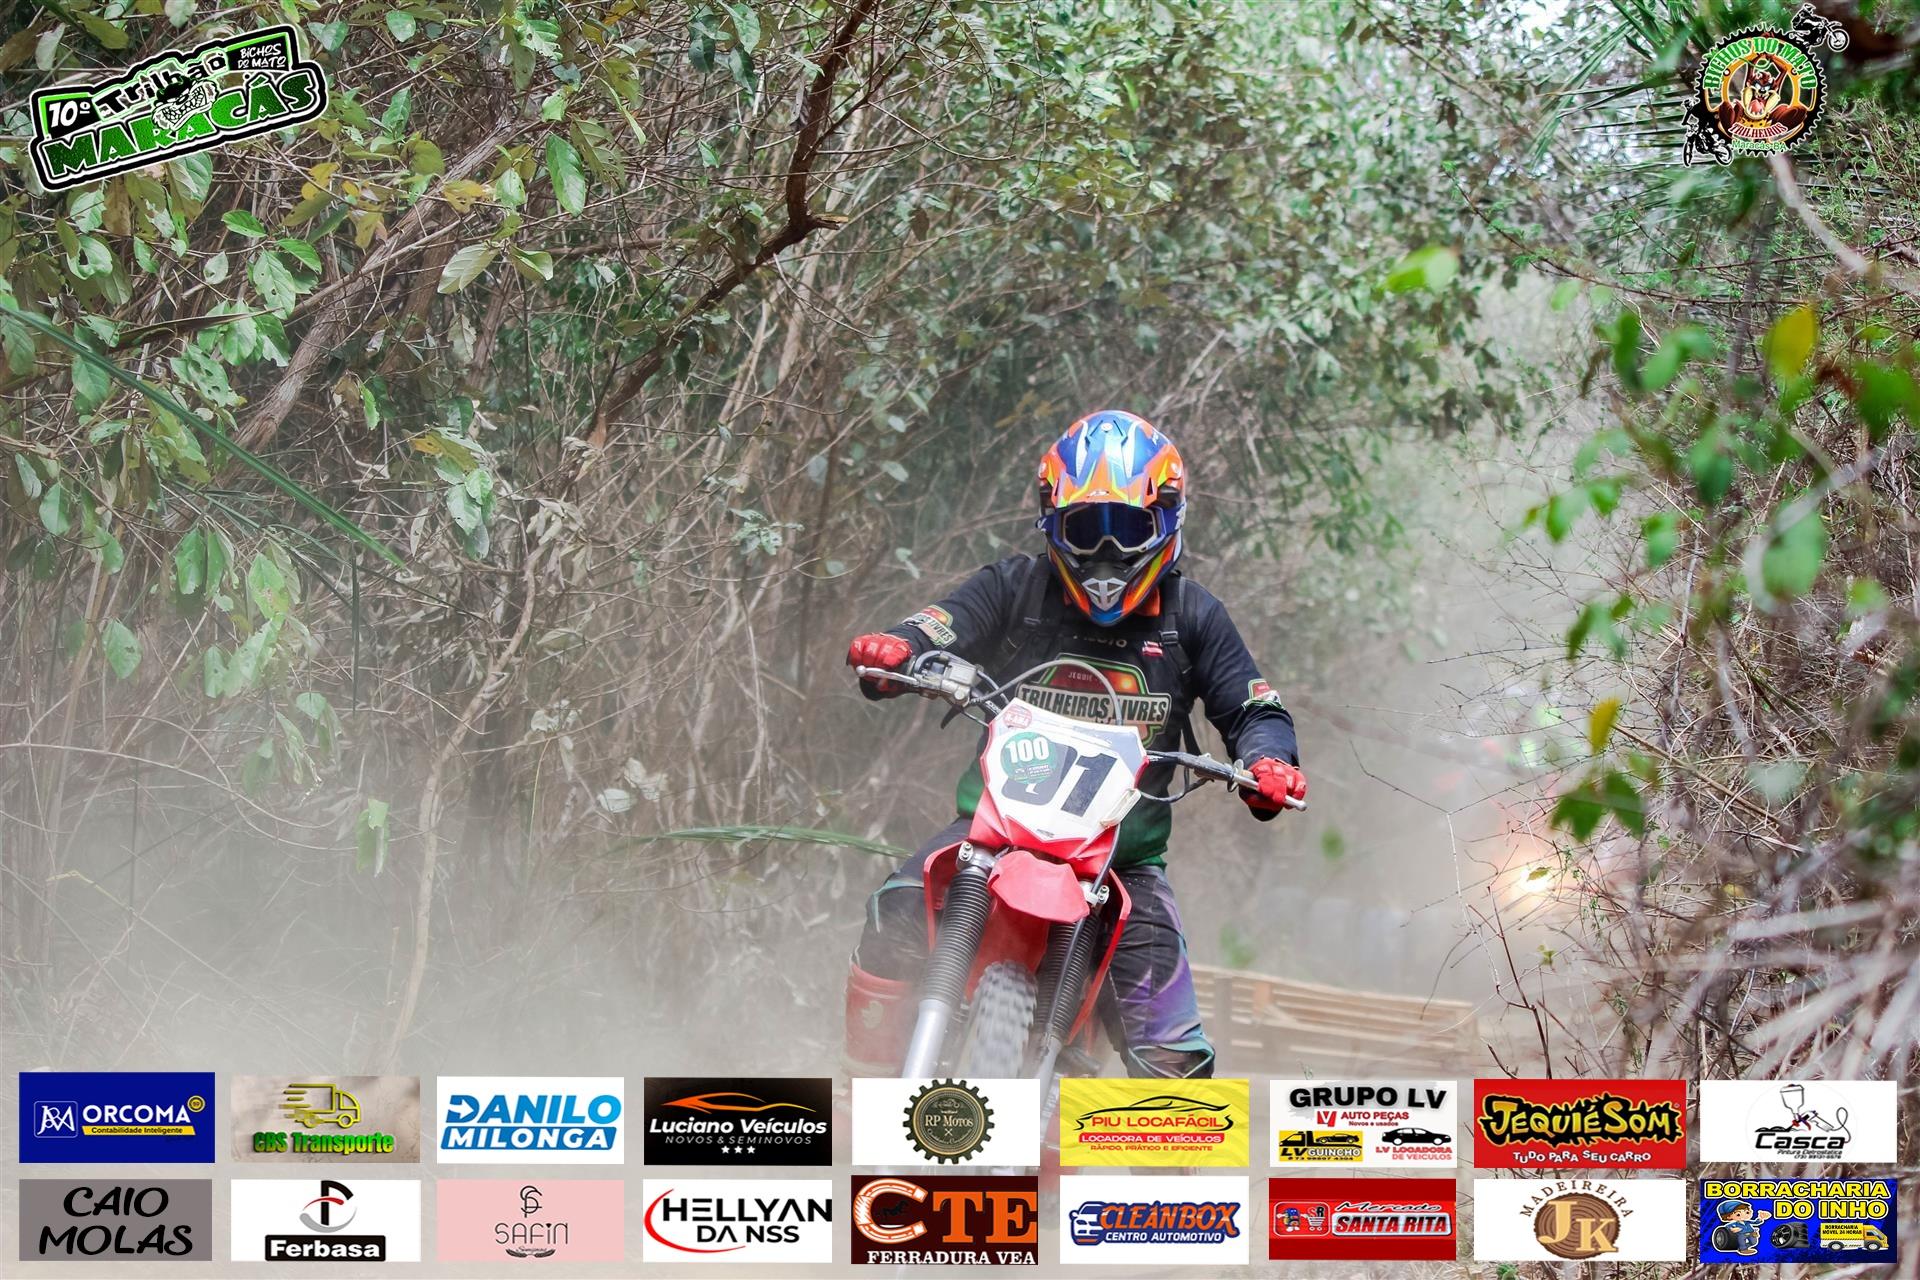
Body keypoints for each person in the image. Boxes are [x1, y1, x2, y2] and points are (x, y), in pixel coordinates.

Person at [841, 410, 1306, 1079]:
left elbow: (1254, 706)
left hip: (1125, 861)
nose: (1107, 553)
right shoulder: (1016, 589)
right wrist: (897, 649)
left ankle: (1148, 1150)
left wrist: (1268, 761)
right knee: (896, 911)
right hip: (989, 836)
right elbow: (940, 626)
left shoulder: (1193, 617)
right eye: (1087, 530)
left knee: (1174, 1056)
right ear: (1053, 524)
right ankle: (864, 1086)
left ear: (1166, 522)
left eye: (1128, 529)